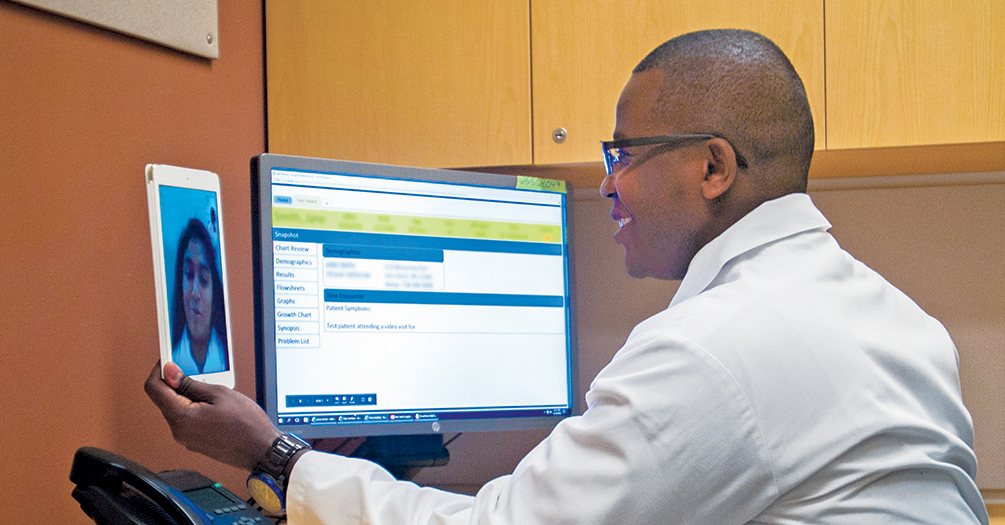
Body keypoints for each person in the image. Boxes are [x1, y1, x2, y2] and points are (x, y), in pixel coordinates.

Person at [146, 29, 988, 523]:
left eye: (622, 152)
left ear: (713, 167)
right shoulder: (894, 318)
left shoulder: (715, 349)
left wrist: (275, 453)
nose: (606, 182)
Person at [170, 218, 229, 375]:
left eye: (203, 280)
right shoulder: (171, 360)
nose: (195, 293)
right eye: (189, 275)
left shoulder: (227, 358)